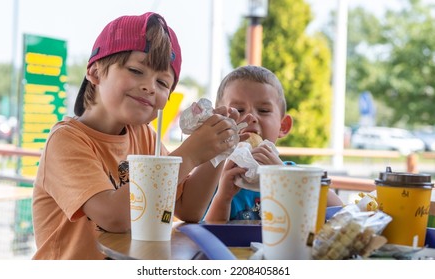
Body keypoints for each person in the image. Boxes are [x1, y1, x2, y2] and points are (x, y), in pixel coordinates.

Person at [32, 12, 242, 259]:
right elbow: (113, 216)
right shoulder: (66, 140)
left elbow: (188, 208)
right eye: (136, 70)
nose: (150, 87)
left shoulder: (144, 136)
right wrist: (189, 154)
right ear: (96, 72)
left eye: (163, 83)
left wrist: (215, 147)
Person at [204, 65, 343, 222]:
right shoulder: (213, 180)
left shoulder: (295, 175)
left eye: (263, 110)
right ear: (221, 123)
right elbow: (206, 234)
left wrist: (286, 179)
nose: (251, 117)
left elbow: (339, 212)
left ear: (283, 126)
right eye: (238, 110)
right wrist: (223, 198)